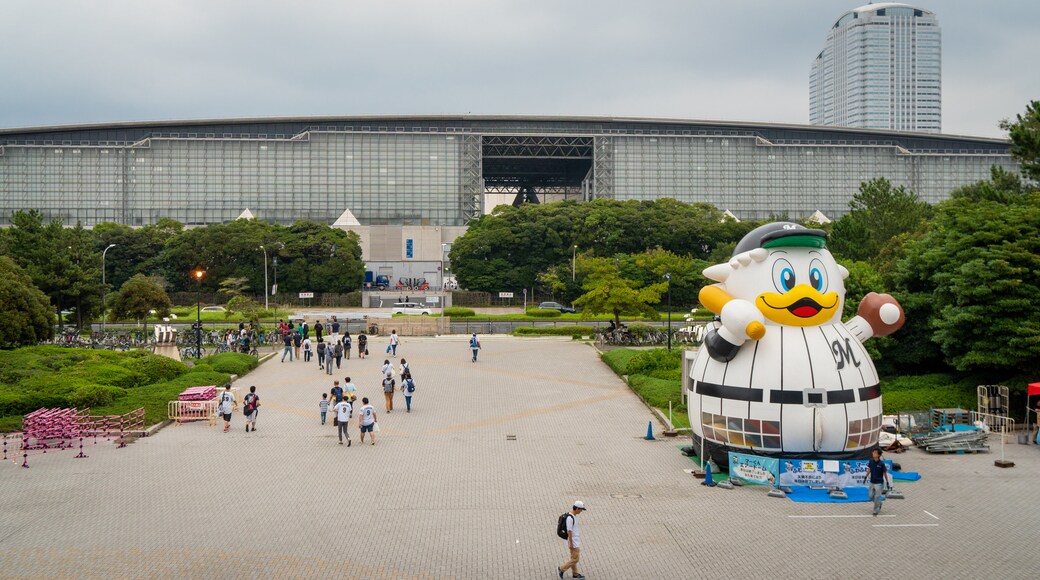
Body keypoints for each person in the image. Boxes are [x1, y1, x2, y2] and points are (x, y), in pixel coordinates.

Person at [558, 501, 587, 579]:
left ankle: (575, 574)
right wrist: (571, 543)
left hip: (573, 541)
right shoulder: (570, 518)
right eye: (581, 509)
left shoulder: (573, 516)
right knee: (576, 559)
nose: (581, 511)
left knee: (573, 558)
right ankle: (561, 569)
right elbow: (569, 531)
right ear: (577, 508)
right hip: (574, 542)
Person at [866, 448, 890, 517]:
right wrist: (865, 476)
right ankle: (879, 503)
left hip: (879, 483)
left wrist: (887, 482)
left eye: (875, 452)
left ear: (879, 455)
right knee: (870, 496)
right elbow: (869, 469)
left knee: (877, 497)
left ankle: (875, 511)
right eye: (873, 452)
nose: (873, 453)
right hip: (872, 482)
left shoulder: (881, 464)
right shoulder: (871, 461)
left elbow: (885, 473)